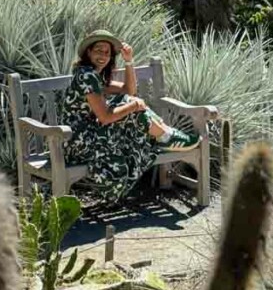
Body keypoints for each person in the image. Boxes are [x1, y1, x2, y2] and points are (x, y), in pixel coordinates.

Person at [60, 29, 199, 205]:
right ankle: (166, 136)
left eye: (107, 52)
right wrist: (133, 106)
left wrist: (128, 61)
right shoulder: (87, 76)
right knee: (131, 107)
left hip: (85, 137)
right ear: (88, 52)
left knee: (128, 102)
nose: (102, 55)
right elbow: (105, 117)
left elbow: (129, 90)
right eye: (98, 50)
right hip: (78, 143)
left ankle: (166, 135)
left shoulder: (92, 75)